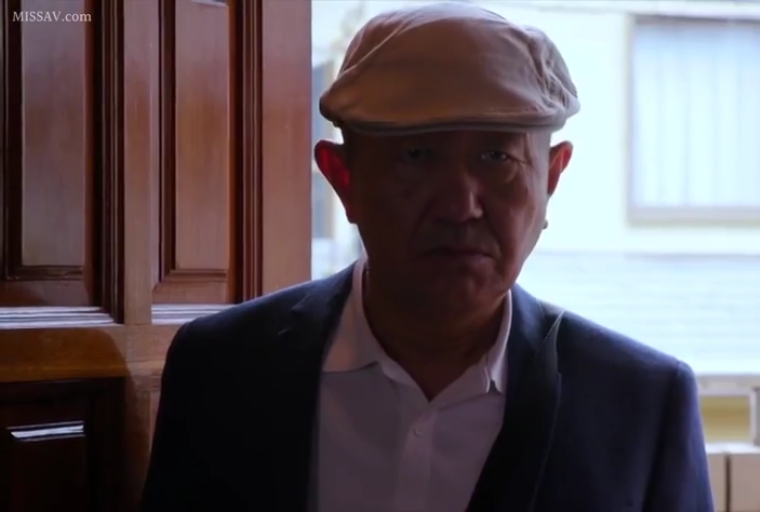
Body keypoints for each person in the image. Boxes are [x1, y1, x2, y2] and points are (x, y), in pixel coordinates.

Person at [140, 3, 713, 512]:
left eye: (497, 157)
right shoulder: (223, 373)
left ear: (551, 178)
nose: (460, 205)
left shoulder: (639, 405)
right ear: (343, 180)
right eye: (416, 156)